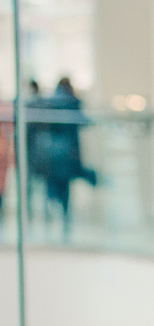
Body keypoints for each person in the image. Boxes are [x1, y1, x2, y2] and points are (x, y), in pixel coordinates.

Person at [31, 78, 95, 238]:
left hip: (49, 154)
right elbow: (84, 122)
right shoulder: (71, 102)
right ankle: (65, 220)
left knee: (50, 187)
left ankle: (48, 220)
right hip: (67, 153)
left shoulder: (48, 102)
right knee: (65, 190)